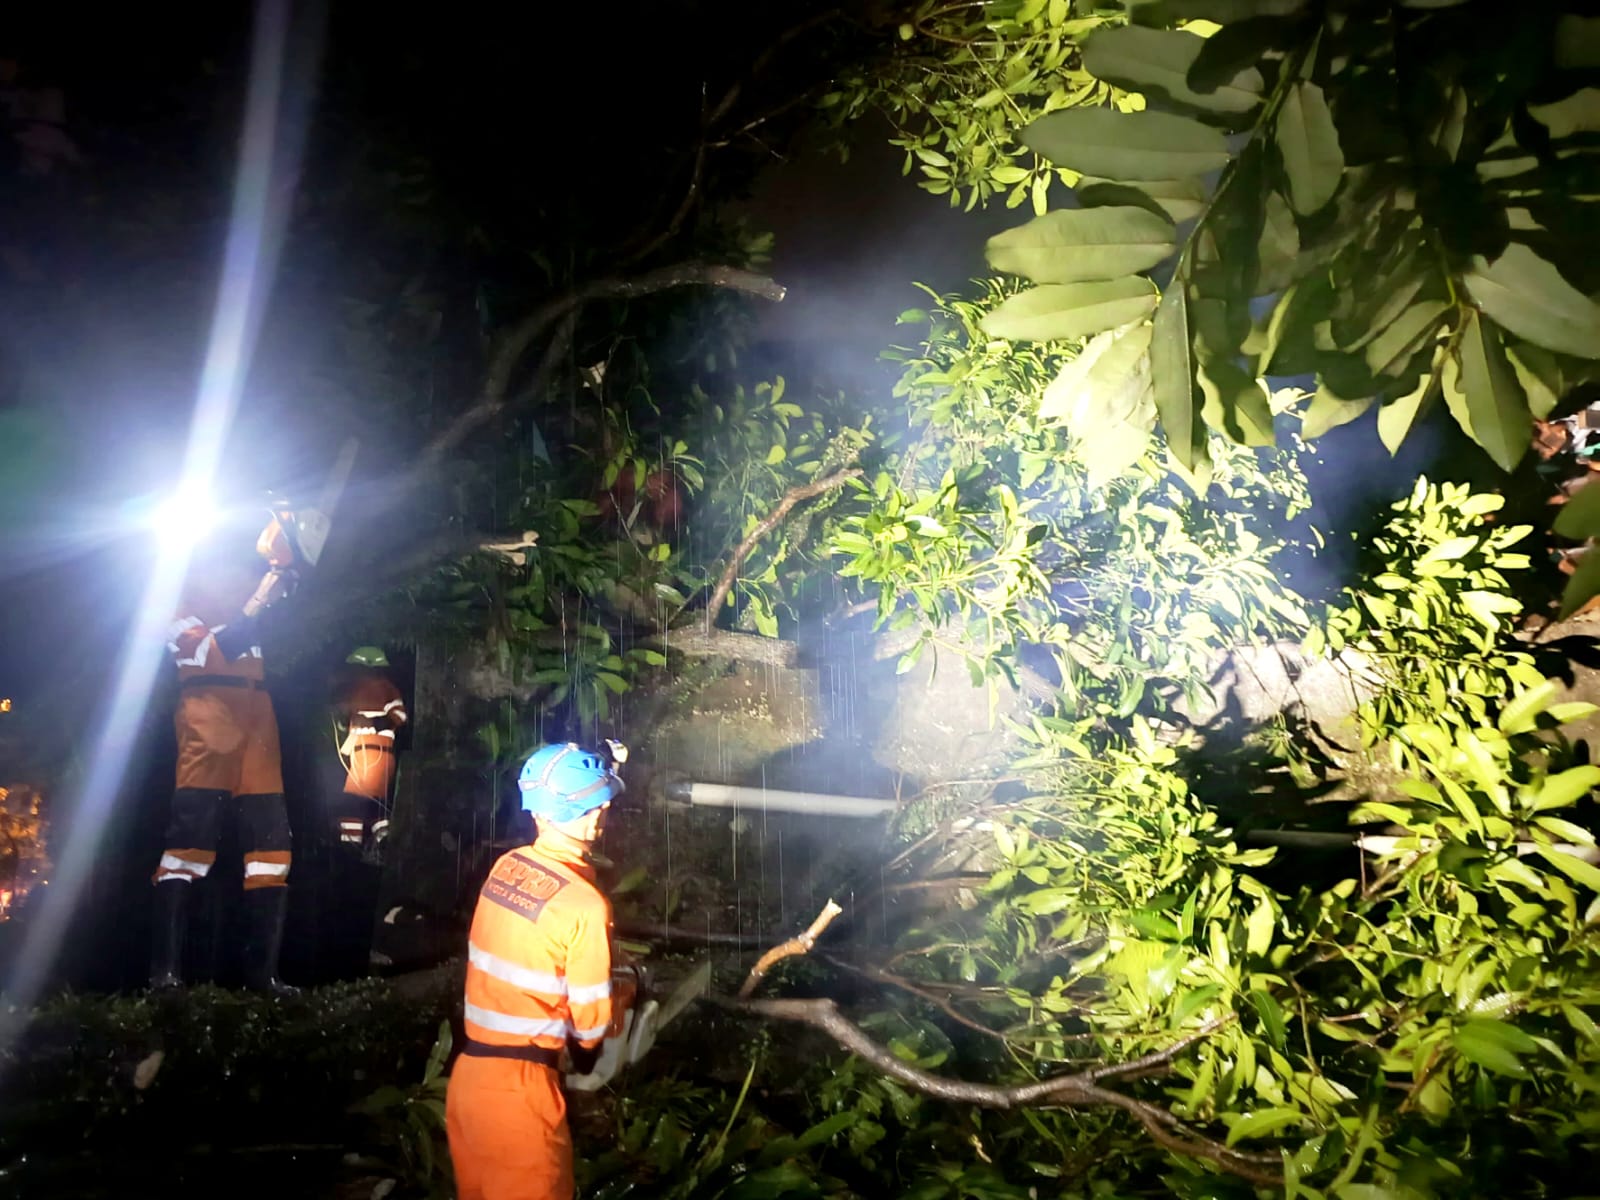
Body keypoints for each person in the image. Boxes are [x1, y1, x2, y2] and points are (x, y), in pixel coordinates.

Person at [446, 742, 636, 1200]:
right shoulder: (584, 906)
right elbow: (589, 1028)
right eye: (595, 799)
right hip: (522, 1097)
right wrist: (620, 1002)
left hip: (468, 1082)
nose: (604, 806)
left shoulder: (506, 868)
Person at [148, 515, 298, 995]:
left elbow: (286, 591)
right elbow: (218, 648)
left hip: (258, 723)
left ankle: (263, 976)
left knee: (273, 848)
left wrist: (287, 556)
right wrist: (262, 596)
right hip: (207, 720)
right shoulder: (173, 608)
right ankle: (166, 974)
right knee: (188, 847)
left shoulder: (239, 591)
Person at [323, 645, 407, 977]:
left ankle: (374, 849)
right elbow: (344, 723)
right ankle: (351, 851)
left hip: (376, 755)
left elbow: (399, 717)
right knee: (352, 807)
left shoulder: (386, 689)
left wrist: (370, 718)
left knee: (367, 803)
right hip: (358, 756)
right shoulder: (352, 691)